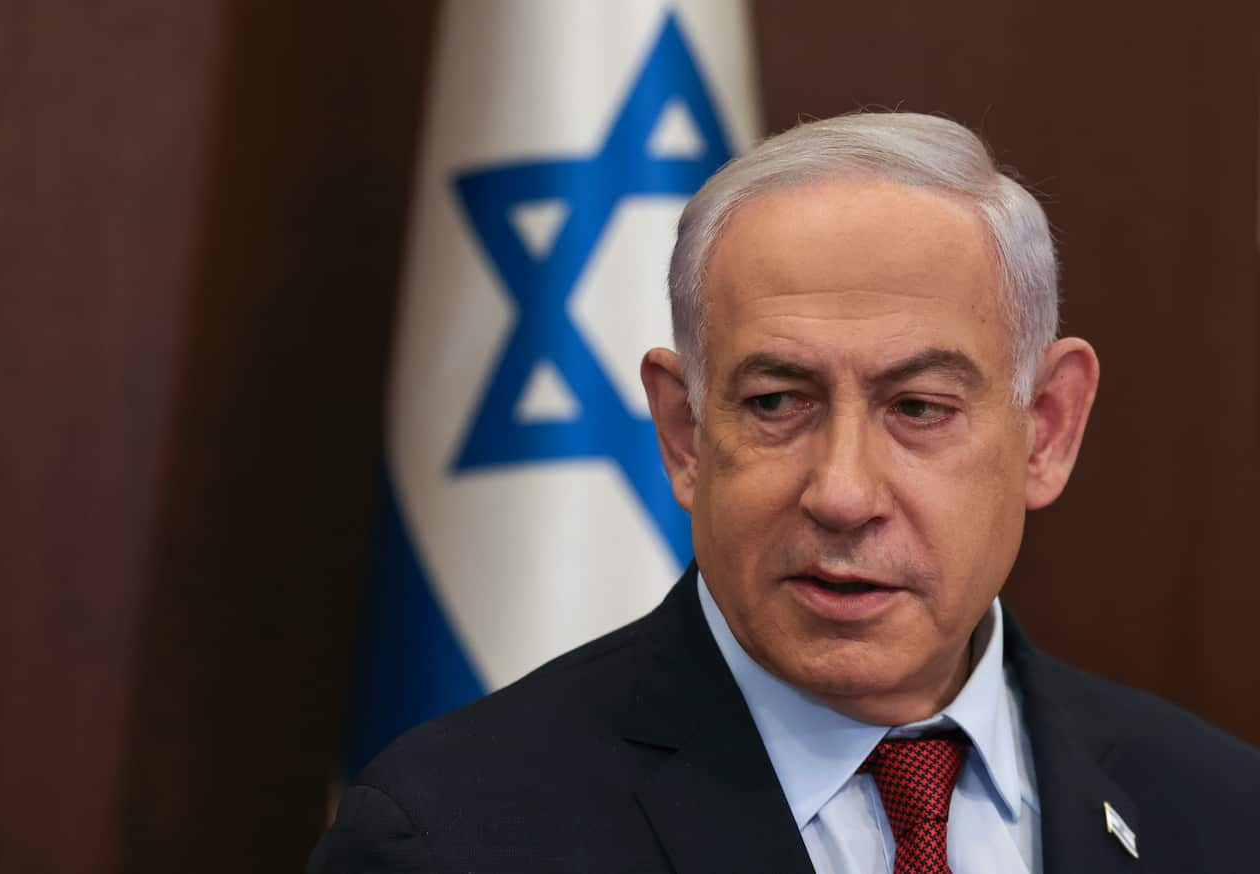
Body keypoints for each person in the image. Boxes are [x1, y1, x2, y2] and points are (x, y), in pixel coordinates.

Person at [309, 112, 1260, 873]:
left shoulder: (1219, 812)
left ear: (1047, 429)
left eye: (920, 407)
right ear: (685, 434)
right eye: (776, 402)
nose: (843, 495)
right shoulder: (451, 838)